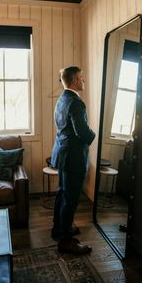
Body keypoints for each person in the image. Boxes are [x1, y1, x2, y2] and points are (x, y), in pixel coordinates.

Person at [51, 66, 95, 254]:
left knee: (62, 193)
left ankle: (59, 228)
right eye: (82, 78)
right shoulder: (76, 103)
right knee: (70, 198)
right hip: (73, 157)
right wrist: (93, 135)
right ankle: (65, 241)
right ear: (75, 81)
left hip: (62, 153)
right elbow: (82, 132)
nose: (83, 81)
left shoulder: (61, 99)